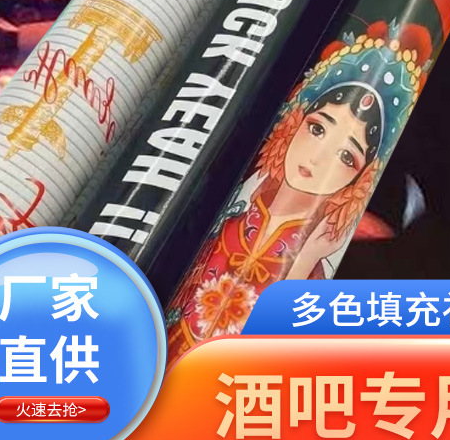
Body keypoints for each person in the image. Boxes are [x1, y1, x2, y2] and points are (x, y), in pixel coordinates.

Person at [166, 20, 434, 355]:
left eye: (346, 156)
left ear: (360, 178)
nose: (318, 158)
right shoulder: (239, 200)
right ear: (296, 121)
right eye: (318, 129)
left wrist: (308, 257)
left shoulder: (320, 258)